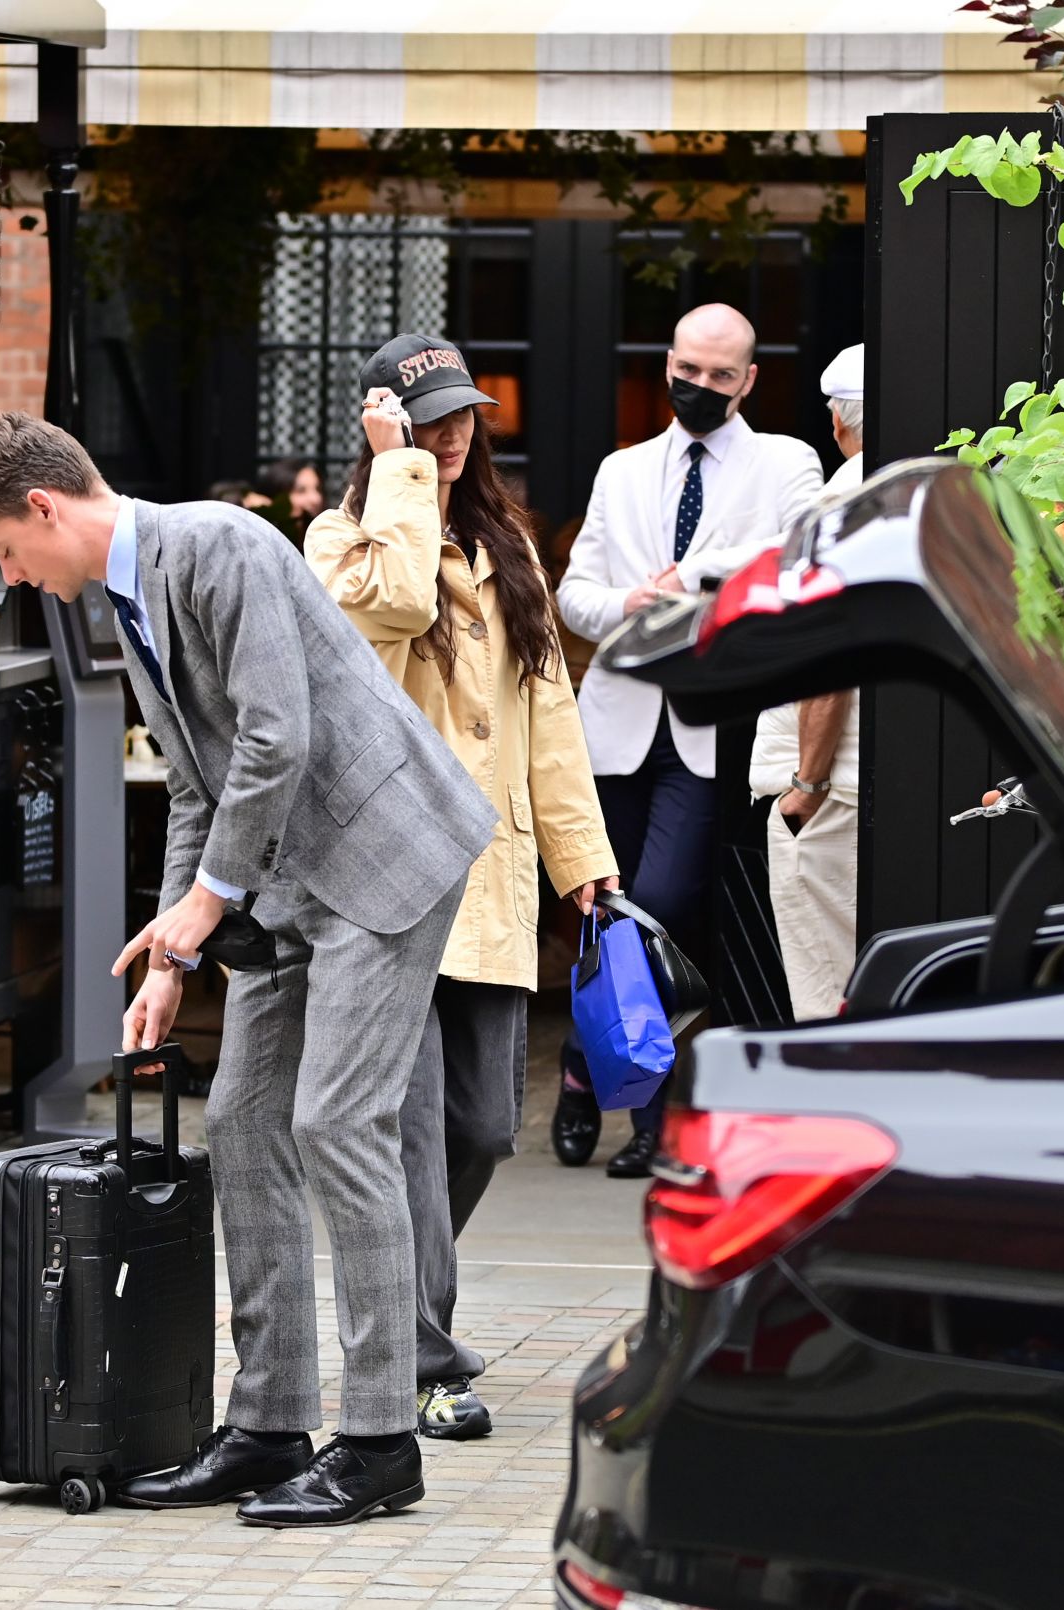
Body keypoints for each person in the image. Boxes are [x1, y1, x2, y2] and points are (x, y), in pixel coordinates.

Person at [0, 412, 497, 1528]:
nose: (15, 578)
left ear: (43, 508)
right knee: (240, 1123)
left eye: (5, 552)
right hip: (288, 886)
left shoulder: (220, 544)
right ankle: (269, 1422)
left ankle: (382, 1437)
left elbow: (276, 739)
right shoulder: (128, 595)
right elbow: (199, 786)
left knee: (339, 1124)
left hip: (384, 858)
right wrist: (168, 953)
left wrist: (201, 909)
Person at [305, 333, 617, 1440]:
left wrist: (583, 865)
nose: (448, 436)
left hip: (485, 877)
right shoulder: (340, 538)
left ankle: (410, 1315)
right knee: (403, 1136)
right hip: (384, 883)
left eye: (459, 418)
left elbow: (549, 720)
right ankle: (423, 1358)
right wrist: (396, 474)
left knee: (484, 1125)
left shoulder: (508, 549)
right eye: (425, 418)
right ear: (382, 424)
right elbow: (382, 615)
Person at [553, 304, 825, 1177]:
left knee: (659, 906)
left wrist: (696, 576)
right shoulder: (621, 469)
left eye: (718, 375)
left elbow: (795, 549)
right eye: (687, 369)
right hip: (617, 723)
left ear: (748, 380)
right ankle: (636, 1104)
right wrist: (628, 604)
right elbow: (575, 595)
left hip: (709, 732)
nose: (698, 387)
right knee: (605, 911)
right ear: (666, 363)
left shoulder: (788, 461)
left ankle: (585, 1068)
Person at [749, 342, 865, 1020]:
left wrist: (807, 786)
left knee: (829, 1001)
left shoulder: (841, 501)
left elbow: (827, 662)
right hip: (859, 790)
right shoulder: (906, 489)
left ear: (838, 421)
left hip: (826, 796)